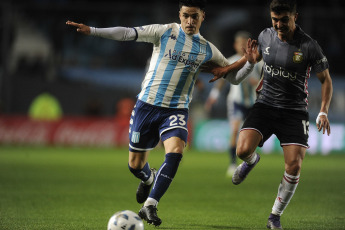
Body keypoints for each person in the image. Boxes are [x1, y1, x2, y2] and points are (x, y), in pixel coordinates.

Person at [66, 0, 258, 226]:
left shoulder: (207, 49)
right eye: (186, 15)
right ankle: (149, 178)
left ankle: (150, 204)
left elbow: (232, 77)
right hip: (146, 106)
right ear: (180, 14)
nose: (189, 21)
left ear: (202, 16)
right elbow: (128, 33)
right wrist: (93, 31)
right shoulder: (165, 32)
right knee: (135, 165)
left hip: (176, 109)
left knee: (176, 151)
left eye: (194, 16)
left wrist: (249, 64)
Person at [209, 0, 333, 229]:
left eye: (284, 19)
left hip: (294, 112)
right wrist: (227, 69)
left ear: (296, 17)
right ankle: (252, 160)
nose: (278, 24)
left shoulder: (309, 46)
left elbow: (326, 80)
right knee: (242, 149)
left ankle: (274, 216)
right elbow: (250, 60)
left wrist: (323, 111)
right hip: (265, 105)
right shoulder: (265, 36)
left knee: (293, 166)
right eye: (275, 19)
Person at [205, 31, 262, 177]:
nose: (243, 46)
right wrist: (214, 95)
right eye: (240, 44)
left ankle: (248, 159)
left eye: (245, 44)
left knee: (252, 136)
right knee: (234, 131)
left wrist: (257, 83)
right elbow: (221, 80)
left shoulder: (258, 61)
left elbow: (264, 80)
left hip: (253, 103)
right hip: (236, 102)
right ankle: (232, 163)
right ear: (235, 45)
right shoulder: (230, 61)